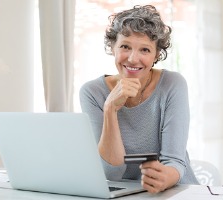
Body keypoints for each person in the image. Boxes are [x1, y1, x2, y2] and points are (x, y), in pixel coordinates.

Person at [79, 5, 199, 193]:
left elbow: (174, 162)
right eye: (125, 46)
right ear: (112, 47)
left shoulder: (172, 85)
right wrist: (110, 107)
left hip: (174, 191)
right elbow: (112, 173)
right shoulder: (92, 92)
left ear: (156, 55)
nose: (134, 59)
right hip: (123, 194)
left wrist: (164, 177)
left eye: (144, 50)